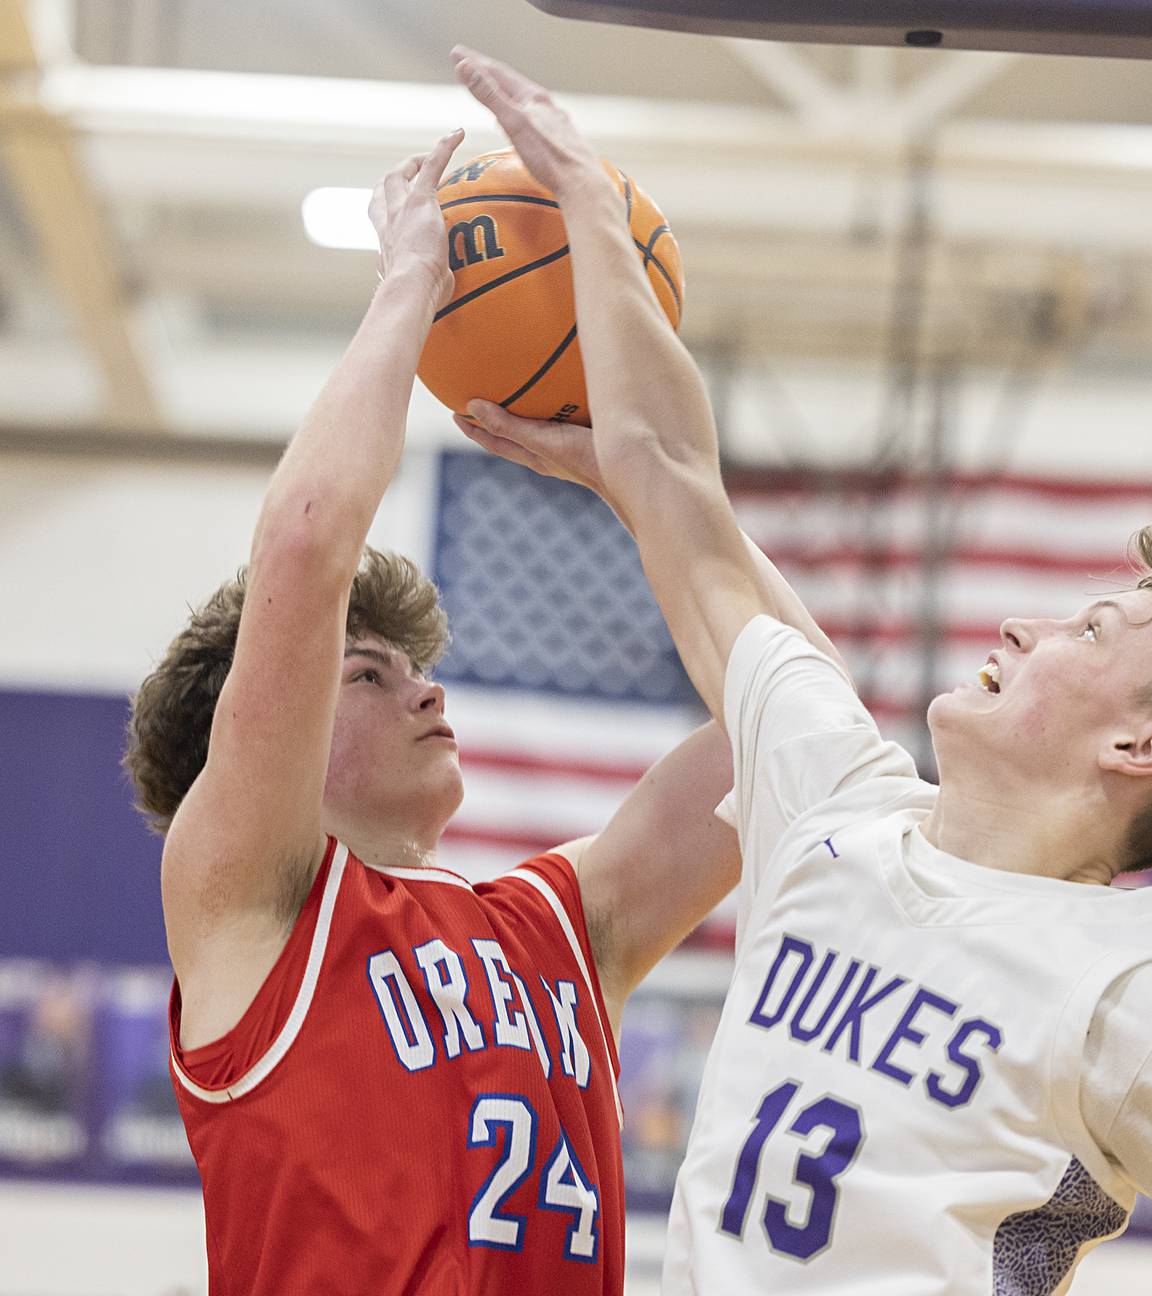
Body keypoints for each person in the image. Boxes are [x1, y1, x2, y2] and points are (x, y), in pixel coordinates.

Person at [451, 49, 1152, 1296]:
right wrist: (625, 438)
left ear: (1139, 748)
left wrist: (596, 224)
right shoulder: (837, 808)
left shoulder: (1137, 988)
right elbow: (677, 477)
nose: (1030, 632)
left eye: (1092, 634)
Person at [121, 110, 830, 1294]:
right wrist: (410, 283)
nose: (425, 685)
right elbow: (306, 544)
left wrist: (644, 485)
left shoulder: (561, 925)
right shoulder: (246, 903)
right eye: (370, 671)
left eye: (414, 664)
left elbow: (807, 729)